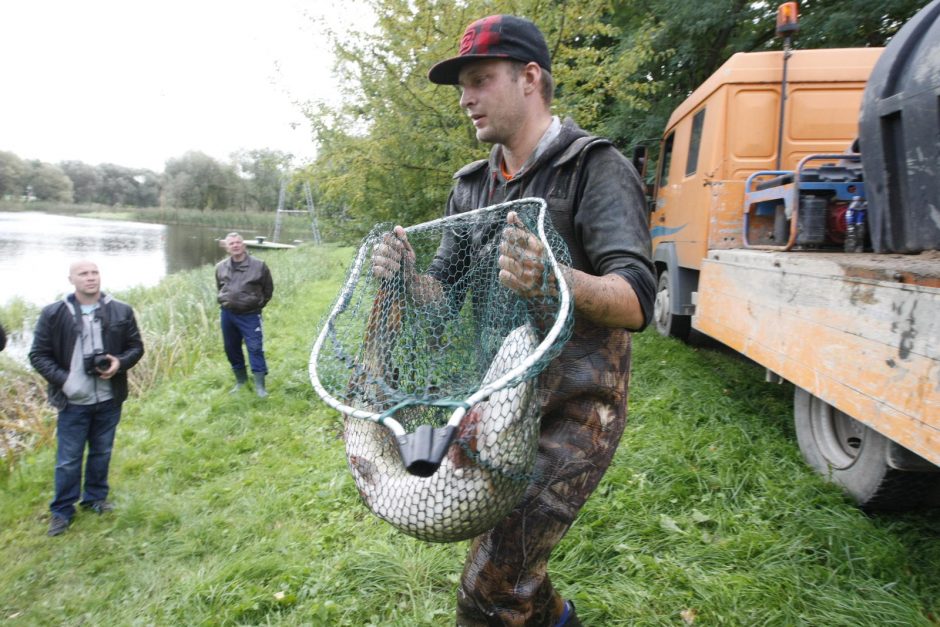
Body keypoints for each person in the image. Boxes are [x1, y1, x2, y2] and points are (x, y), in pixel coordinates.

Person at [373, 14, 656, 626]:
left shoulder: (594, 167)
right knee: (510, 579)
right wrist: (403, 275)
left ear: (530, 78)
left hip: (576, 410)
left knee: (490, 587)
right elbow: (441, 299)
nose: (466, 99)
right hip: (496, 409)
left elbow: (636, 299)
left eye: (479, 80)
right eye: (461, 87)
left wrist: (555, 279)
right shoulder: (470, 187)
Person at [28, 260, 144, 537]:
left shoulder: (121, 310)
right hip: (73, 400)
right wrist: (66, 381)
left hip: (109, 397)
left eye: (94, 273)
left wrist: (119, 362)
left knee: (102, 452)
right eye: (83, 274)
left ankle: (94, 498)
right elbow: (38, 355)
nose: (90, 278)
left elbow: (136, 347)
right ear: (71, 279)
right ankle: (62, 510)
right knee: (68, 459)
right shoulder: (54, 313)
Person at [215, 232, 274, 398]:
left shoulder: (259, 265)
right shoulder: (220, 267)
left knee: (255, 348)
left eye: (238, 242)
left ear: (244, 245)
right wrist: (226, 301)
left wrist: (256, 304)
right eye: (231, 243)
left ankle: (260, 387)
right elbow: (219, 287)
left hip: (250, 315)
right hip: (228, 315)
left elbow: (268, 290)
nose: (235, 245)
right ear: (227, 247)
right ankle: (241, 381)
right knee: (231, 348)